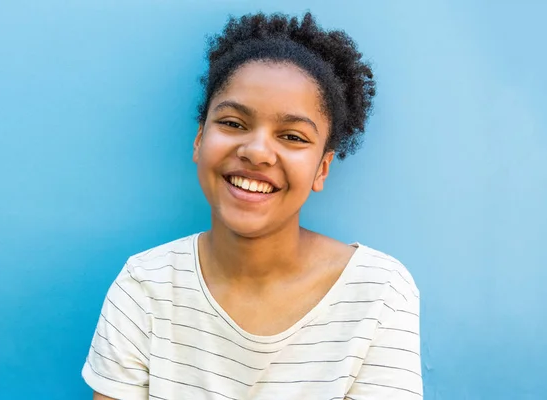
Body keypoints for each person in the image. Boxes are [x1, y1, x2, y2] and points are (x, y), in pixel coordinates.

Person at [82, 12, 422, 400]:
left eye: (292, 136)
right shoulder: (144, 286)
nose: (257, 151)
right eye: (233, 123)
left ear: (321, 169)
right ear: (199, 140)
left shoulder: (379, 293)